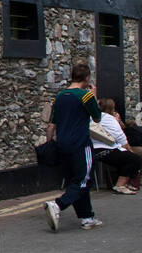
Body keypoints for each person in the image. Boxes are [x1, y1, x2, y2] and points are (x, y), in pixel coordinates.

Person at [44, 62, 104, 232]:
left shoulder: (61, 96)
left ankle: (87, 217)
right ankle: (57, 205)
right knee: (84, 180)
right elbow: (98, 117)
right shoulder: (85, 96)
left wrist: (50, 144)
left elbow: (51, 125)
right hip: (80, 144)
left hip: (63, 144)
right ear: (87, 78)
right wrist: (94, 96)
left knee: (75, 180)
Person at [93, 98, 142, 194]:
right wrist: (129, 150)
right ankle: (120, 185)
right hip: (105, 149)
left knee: (126, 157)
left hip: (92, 148)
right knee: (134, 158)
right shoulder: (108, 118)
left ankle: (122, 182)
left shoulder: (92, 117)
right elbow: (121, 137)